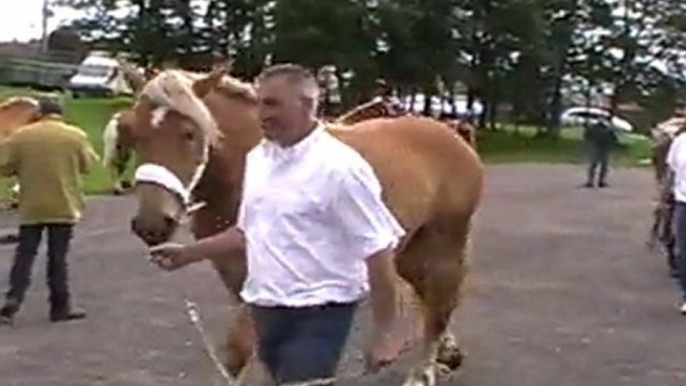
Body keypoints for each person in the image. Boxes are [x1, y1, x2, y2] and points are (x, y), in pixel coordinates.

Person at [149, 64, 406, 385]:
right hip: (266, 308)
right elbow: (248, 231)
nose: (261, 113)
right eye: (259, 102)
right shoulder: (259, 158)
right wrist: (189, 253)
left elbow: (378, 250)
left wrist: (385, 333)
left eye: (272, 104)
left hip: (319, 312)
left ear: (307, 105)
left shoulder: (341, 168)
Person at [0, 97, 99, 325]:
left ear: (38, 113)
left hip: (31, 204)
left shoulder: (22, 136)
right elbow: (88, 166)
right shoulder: (75, 135)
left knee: (24, 255)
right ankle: (60, 306)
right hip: (64, 204)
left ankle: (12, 301)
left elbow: (4, 166)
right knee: (58, 258)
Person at [666, 126, 686, 314]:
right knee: (683, 251)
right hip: (683, 202)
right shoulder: (680, 142)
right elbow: (671, 170)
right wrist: (665, 197)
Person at [583, 116, 618, 188]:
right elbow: (614, 139)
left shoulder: (594, 128)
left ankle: (592, 181)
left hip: (599, 148)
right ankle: (598, 181)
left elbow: (587, 136)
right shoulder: (607, 129)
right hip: (602, 148)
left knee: (595, 165)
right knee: (600, 166)